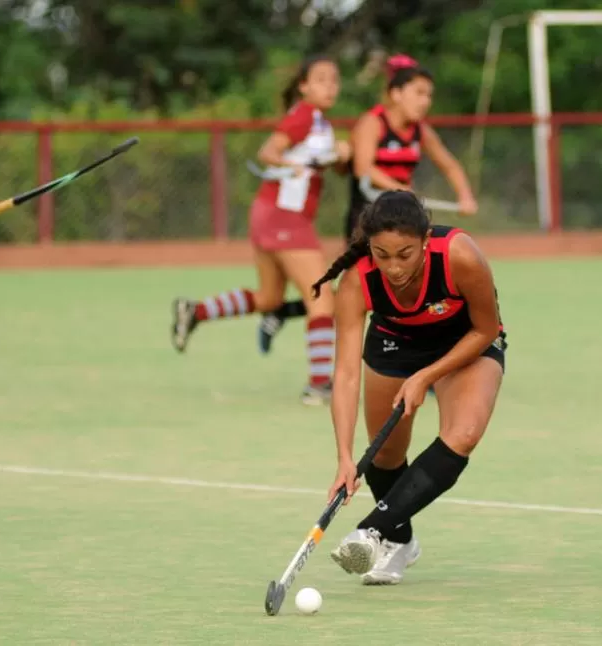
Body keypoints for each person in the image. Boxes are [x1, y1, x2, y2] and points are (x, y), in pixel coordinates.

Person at [311, 189, 505, 585]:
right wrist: (345, 457)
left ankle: (372, 531)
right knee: (384, 456)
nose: (394, 267)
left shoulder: (459, 256)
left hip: (464, 341)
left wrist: (426, 376)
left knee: (463, 434)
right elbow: (346, 375)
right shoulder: (357, 281)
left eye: (405, 254)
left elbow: (486, 328)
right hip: (394, 342)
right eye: (382, 255)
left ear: (426, 239)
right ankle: (401, 541)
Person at [257, 55, 478, 355]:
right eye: (419, 93)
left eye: (429, 95)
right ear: (396, 93)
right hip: (367, 224)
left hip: (404, 223)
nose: (425, 102)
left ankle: (283, 313)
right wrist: (396, 187)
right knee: (366, 295)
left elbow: (449, 164)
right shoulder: (371, 123)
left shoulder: (419, 130)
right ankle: (343, 371)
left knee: (403, 289)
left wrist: (465, 196)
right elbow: (362, 170)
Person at [170, 55, 351, 405]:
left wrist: (341, 154)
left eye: (335, 80)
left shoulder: (321, 126)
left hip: (270, 215)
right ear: (303, 86)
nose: (331, 86)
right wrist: (290, 164)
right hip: (285, 218)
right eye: (322, 79)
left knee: (269, 299)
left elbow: (333, 164)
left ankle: (196, 311)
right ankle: (318, 386)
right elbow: (269, 151)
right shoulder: (303, 116)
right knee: (323, 299)